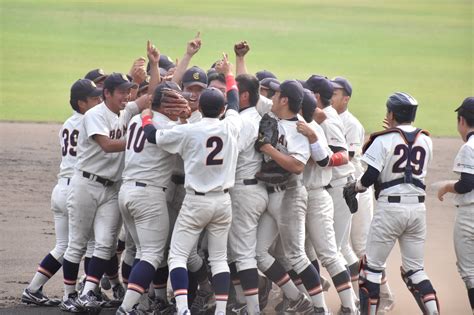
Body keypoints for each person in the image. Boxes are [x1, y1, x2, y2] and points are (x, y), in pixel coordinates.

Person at [141, 54, 241, 315]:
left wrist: (145, 117)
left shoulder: (188, 130)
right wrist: (229, 74)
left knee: (176, 256)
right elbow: (234, 100)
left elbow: (153, 137)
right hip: (223, 202)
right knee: (219, 259)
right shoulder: (231, 124)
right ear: (220, 110)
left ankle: (183, 309)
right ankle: (220, 311)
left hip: (196, 201)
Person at [59, 73, 151, 313]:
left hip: (111, 188)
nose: (126, 96)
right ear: (106, 94)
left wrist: (153, 64)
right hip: (85, 185)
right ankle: (68, 294)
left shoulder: (125, 111)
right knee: (77, 243)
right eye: (121, 91)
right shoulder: (94, 115)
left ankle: (88, 291)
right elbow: (107, 145)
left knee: (105, 243)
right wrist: (139, 138)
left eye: (128, 91)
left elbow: (151, 96)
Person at [350, 92, 440, 315]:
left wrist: (355, 188)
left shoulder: (383, 139)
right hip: (417, 211)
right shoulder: (426, 140)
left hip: (390, 210)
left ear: (391, 113)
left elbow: (370, 177)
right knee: (415, 271)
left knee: (370, 270)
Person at [21, 79, 102, 307]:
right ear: (81, 103)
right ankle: (78, 295)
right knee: (89, 245)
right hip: (77, 189)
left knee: (64, 246)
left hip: (61, 188)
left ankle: (33, 288)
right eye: (94, 98)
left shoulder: (67, 123)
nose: (99, 101)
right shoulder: (89, 122)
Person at [255, 80, 326, 314]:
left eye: (276, 95)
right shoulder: (274, 115)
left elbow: (297, 165)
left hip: (291, 196)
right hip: (272, 196)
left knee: (296, 255)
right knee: (259, 254)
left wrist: (269, 150)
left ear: (284, 100)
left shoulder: (299, 128)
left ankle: (320, 309)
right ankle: (298, 299)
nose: (272, 98)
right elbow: (254, 95)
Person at [296, 89, 359, 315]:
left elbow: (327, 159)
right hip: (302, 196)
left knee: (329, 254)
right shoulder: (308, 125)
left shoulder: (314, 130)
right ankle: (316, 303)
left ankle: (350, 307)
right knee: (304, 252)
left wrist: (313, 136)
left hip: (317, 196)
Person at [226, 73, 269, 315]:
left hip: (245, 191)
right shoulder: (249, 116)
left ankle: (253, 310)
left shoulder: (245, 122)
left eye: (232, 92)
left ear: (243, 96)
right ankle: (243, 301)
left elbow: (230, 151)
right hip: (248, 189)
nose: (227, 96)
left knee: (243, 255)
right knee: (235, 252)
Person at [437, 96, 474, 313]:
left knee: (469, 272)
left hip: (470, 214)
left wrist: (448, 186)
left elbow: (467, 184)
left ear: (461, 121)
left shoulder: (469, 148)